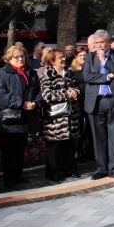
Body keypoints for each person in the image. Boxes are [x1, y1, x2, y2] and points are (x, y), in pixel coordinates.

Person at [83, 30, 114, 180]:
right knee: (99, 137)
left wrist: (104, 61)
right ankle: (101, 168)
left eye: (101, 42)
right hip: (96, 101)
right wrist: (107, 76)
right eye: (96, 43)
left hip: (113, 100)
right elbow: (87, 77)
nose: (99, 46)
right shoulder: (89, 57)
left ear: (108, 42)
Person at [0, 46, 41, 189]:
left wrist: (35, 103)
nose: (20, 59)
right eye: (16, 57)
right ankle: (9, 178)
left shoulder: (30, 73)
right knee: (9, 150)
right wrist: (20, 104)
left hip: (25, 117)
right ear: (8, 58)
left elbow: (37, 91)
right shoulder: (2, 73)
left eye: (22, 56)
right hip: (8, 119)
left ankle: (18, 175)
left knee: (20, 148)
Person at [39, 49, 81, 181]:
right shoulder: (47, 75)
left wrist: (75, 91)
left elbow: (77, 87)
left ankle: (69, 169)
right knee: (55, 147)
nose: (63, 59)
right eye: (60, 57)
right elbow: (47, 95)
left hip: (70, 116)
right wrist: (66, 94)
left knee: (69, 145)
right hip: (55, 118)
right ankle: (53, 172)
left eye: (63, 57)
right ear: (52, 61)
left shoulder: (69, 73)